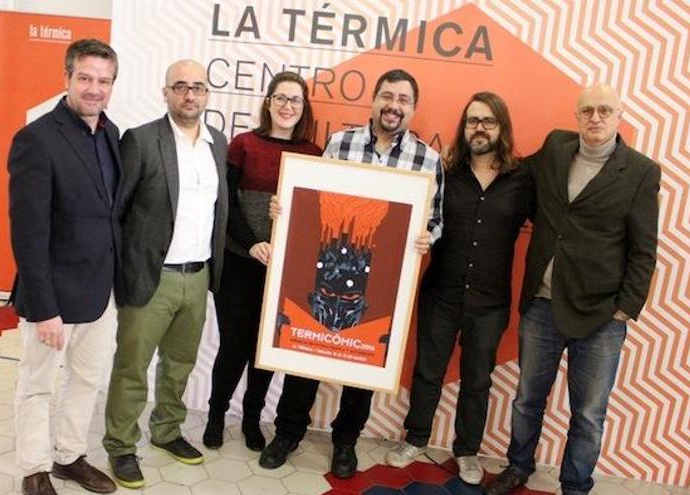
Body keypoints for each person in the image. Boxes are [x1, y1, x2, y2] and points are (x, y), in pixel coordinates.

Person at [259, 69, 445, 479]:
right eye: (387, 96)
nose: (393, 106)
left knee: (364, 363)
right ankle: (288, 432)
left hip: (380, 279)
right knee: (307, 355)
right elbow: (313, 201)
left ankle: (346, 441)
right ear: (374, 100)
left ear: (413, 108)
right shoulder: (341, 144)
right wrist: (283, 209)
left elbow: (435, 220)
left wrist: (424, 238)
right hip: (329, 265)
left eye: (403, 99)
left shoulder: (427, 160)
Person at [482, 84, 661, 495]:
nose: (595, 118)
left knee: (589, 413)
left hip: (601, 315)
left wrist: (625, 309)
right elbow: (515, 171)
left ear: (619, 116)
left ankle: (575, 485)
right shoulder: (556, 148)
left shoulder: (640, 171)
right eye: (587, 111)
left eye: (604, 110)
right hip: (543, 306)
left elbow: (644, 250)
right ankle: (518, 467)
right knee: (528, 399)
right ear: (576, 116)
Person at [383, 92, 532, 485]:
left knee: (478, 379)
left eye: (488, 121)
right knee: (428, 372)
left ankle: (467, 451)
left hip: (490, 301)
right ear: (463, 128)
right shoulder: (443, 172)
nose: (479, 128)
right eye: (472, 121)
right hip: (441, 294)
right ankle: (415, 439)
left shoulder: (522, 180)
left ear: (502, 127)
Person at [102, 59, 228, 489]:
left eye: (197, 87)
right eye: (180, 87)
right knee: (132, 367)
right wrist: (121, 275)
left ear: (208, 94)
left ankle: (167, 430)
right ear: (166, 92)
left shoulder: (217, 143)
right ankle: (120, 446)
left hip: (197, 278)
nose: (189, 95)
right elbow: (117, 212)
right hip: (150, 276)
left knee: (179, 365)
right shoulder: (140, 140)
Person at [9, 39, 120, 495]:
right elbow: (28, 233)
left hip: (101, 291)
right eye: (86, 78)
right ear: (67, 77)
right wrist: (44, 308)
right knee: (38, 385)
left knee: (87, 379)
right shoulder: (36, 139)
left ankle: (69, 456)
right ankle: (34, 470)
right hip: (54, 295)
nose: (95, 89)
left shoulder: (112, 134)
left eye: (104, 80)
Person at [202, 72, 322, 452]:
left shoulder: (313, 154)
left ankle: (252, 419)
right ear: (269, 102)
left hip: (285, 270)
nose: (288, 106)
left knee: (264, 352)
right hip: (239, 261)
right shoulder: (243, 144)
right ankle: (216, 415)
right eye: (281, 98)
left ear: (303, 108)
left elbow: (316, 216)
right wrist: (253, 243)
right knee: (234, 346)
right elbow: (226, 206)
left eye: (295, 100)